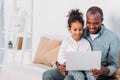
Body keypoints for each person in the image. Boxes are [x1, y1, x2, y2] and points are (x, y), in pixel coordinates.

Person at [42, 6, 120, 80]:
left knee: (71, 78)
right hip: (72, 68)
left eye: (95, 23)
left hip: (95, 72)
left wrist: (103, 71)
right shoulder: (79, 31)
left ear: (102, 20)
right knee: (47, 75)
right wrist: (60, 65)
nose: (92, 27)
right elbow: (65, 52)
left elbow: (114, 65)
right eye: (89, 23)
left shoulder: (112, 38)